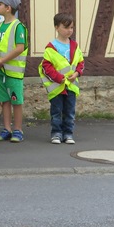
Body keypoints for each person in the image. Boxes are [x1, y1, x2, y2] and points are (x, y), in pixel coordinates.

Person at [39, 13, 84, 144]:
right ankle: (56, 133)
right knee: (56, 111)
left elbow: (80, 63)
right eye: (66, 27)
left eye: (71, 27)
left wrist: (76, 74)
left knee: (70, 111)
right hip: (57, 86)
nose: (69, 30)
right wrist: (59, 78)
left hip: (71, 85)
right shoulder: (51, 47)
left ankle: (68, 133)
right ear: (56, 27)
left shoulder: (75, 46)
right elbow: (46, 67)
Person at [0, 0, 28, 143]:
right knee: (4, 101)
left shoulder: (18, 26)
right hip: (0, 71)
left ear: (8, 8)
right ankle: (7, 128)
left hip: (13, 72)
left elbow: (20, 48)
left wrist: (2, 60)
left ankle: (18, 129)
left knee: (16, 101)